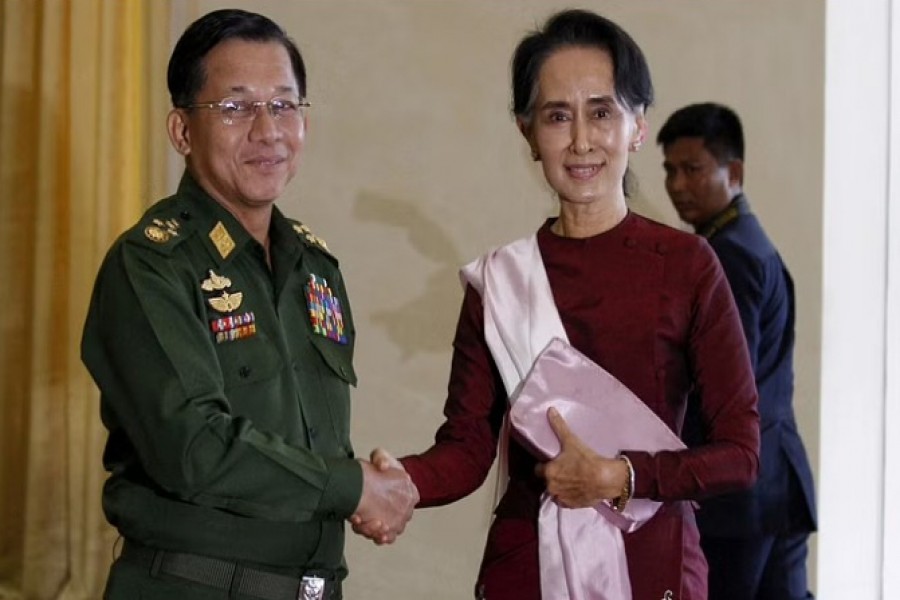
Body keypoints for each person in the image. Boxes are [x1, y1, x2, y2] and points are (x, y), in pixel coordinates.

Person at [353, 10, 760, 600]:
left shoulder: (688, 266)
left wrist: (620, 476)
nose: (580, 141)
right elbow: (467, 449)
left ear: (637, 125)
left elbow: (740, 455)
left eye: (601, 112)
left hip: (651, 563)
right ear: (527, 132)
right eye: (556, 116)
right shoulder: (499, 283)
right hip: (527, 567)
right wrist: (402, 481)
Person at [80, 9, 417, 600]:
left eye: (285, 105)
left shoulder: (316, 265)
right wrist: (351, 486)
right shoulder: (151, 264)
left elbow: (302, 441)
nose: (268, 130)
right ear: (182, 131)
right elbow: (194, 448)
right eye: (235, 108)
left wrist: (368, 482)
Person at [657, 102, 817, 600]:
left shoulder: (727, 254)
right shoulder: (749, 241)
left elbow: (726, 384)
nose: (678, 185)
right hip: (776, 483)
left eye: (693, 169)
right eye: (669, 171)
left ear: (735, 171)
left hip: (738, 498)